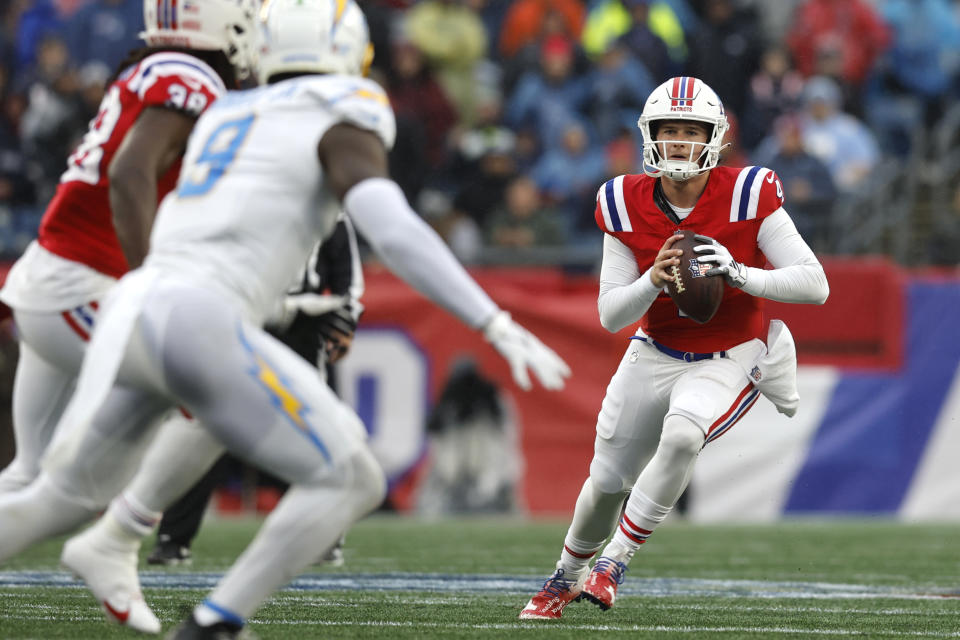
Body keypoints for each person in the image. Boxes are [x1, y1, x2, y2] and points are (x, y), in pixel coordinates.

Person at [0, 4, 570, 640]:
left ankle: (116, 541)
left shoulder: (230, 109)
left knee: (53, 497)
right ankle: (215, 623)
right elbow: (392, 227)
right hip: (195, 319)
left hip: (136, 305)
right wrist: (489, 319)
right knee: (352, 476)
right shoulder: (342, 105)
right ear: (350, 49)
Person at [520, 76, 829, 620]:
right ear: (650, 136)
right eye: (671, 130)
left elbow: (814, 283)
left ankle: (615, 562)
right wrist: (652, 281)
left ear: (714, 137)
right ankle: (564, 578)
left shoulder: (748, 191)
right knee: (605, 483)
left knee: (684, 433)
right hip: (655, 347)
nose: (681, 142)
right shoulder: (622, 198)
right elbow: (611, 312)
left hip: (730, 353)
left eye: (692, 131)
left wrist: (738, 273)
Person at [0, 0, 259, 495]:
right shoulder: (190, 80)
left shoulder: (152, 70)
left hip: (57, 275)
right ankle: (124, 532)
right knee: (210, 396)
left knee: (29, 474)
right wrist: (150, 283)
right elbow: (128, 173)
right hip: (79, 284)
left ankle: (115, 537)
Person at [146, 215, 365, 567]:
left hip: (301, 326)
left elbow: (347, 274)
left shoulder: (327, 205)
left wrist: (347, 319)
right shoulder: (248, 193)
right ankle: (174, 537)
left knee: (314, 428)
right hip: (243, 315)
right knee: (208, 424)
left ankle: (324, 534)